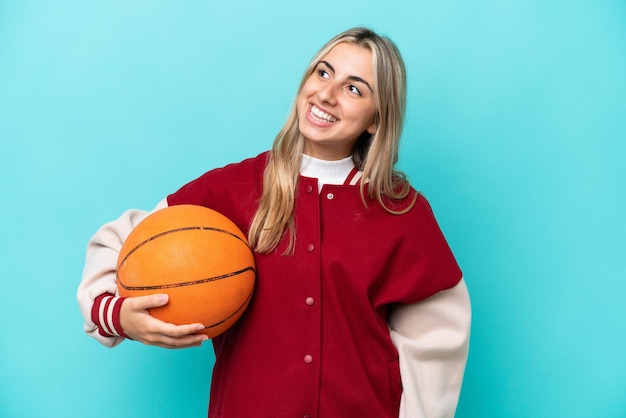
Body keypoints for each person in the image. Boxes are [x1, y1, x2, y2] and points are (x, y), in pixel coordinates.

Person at [77, 27, 471, 418]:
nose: (327, 94)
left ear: (376, 118)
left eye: (354, 89)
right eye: (323, 72)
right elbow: (125, 241)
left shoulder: (401, 212)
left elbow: (436, 343)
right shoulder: (233, 189)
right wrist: (118, 315)